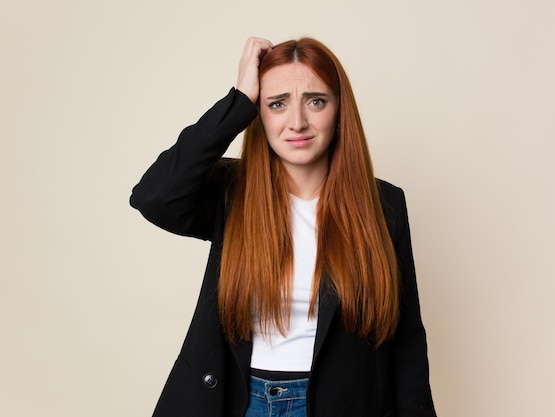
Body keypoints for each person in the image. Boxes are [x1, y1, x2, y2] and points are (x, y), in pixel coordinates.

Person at [130, 36, 437, 417]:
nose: (297, 122)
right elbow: (154, 196)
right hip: (241, 402)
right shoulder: (232, 192)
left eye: (316, 101)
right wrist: (239, 100)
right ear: (260, 113)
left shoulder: (384, 204)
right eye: (277, 104)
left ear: (340, 110)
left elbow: (406, 340)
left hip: (339, 405)